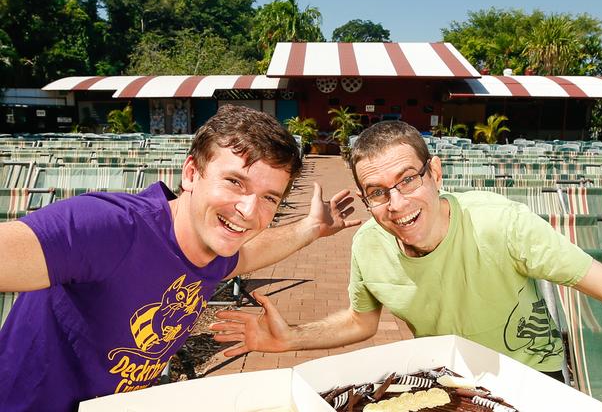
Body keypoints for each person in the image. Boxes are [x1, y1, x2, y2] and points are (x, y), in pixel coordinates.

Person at [212, 119, 602, 380]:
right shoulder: (369, 243)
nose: (398, 204)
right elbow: (361, 322)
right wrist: (292, 339)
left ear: (435, 172)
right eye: (378, 191)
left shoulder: (502, 223)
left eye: (408, 179)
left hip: (531, 379)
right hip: (450, 383)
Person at [0, 104, 360, 412]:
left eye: (269, 197)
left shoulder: (216, 250)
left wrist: (311, 227)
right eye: (235, 182)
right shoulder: (109, 228)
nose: (249, 211)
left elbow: (251, 254)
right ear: (191, 173)